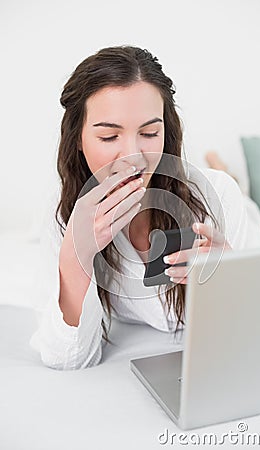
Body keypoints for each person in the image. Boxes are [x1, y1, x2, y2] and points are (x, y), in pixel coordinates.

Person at [30, 46, 248, 370]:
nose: (132, 156)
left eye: (149, 133)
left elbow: (247, 330)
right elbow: (69, 358)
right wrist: (76, 257)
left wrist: (232, 281)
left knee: (245, 199)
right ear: (78, 138)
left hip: (235, 204)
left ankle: (225, 169)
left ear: (166, 132)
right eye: (108, 136)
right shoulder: (64, 215)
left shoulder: (217, 197)